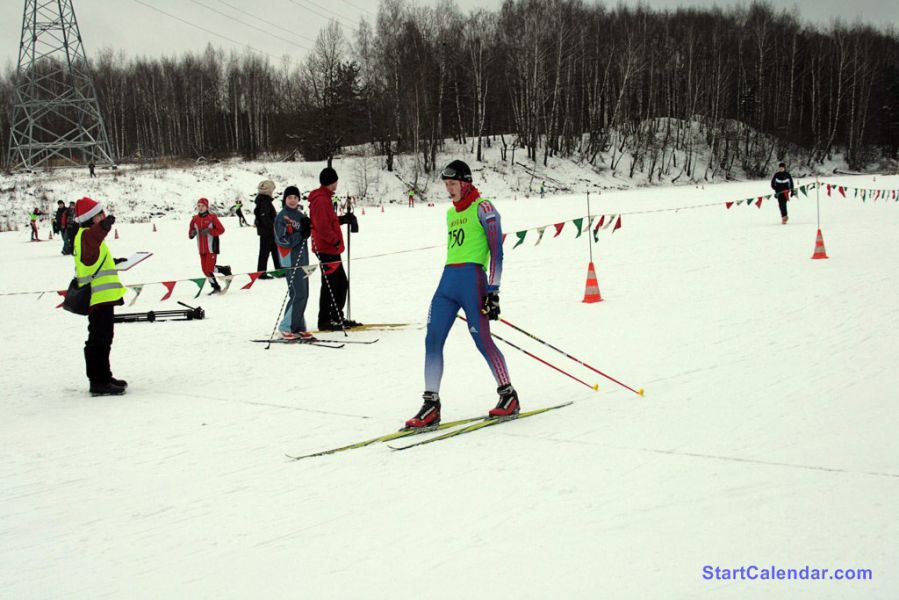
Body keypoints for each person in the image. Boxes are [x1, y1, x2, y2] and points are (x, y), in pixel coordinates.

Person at [405, 160, 518, 429]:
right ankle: (431, 403)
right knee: (432, 339)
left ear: (465, 182)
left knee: (482, 341)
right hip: (447, 282)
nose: (449, 189)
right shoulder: (450, 214)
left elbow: (497, 252)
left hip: (473, 282)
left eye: (453, 184)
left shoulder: (485, 209)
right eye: (446, 184)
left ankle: (508, 395)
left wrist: (493, 291)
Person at [72, 196, 128, 396]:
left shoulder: (85, 235)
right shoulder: (88, 235)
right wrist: (103, 226)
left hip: (101, 297)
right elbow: (94, 239)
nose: (103, 216)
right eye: (99, 215)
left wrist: (114, 261)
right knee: (99, 340)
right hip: (98, 298)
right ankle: (98, 382)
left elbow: (94, 258)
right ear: (91, 218)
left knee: (103, 338)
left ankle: (104, 376)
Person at [308, 167, 360, 330]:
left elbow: (329, 220)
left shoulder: (324, 198)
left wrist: (343, 219)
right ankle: (325, 319)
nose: (337, 183)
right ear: (332, 181)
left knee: (340, 283)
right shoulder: (321, 200)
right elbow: (322, 226)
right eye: (336, 180)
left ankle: (336, 316)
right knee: (332, 285)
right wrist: (335, 241)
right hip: (327, 248)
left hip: (330, 248)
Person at [274, 185, 313, 339]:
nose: (292, 200)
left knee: (303, 293)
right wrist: (300, 234)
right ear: (285, 199)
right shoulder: (282, 217)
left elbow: (306, 233)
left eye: (295, 198)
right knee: (298, 293)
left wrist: (307, 229)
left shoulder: (300, 215)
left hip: (302, 259)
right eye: (289, 197)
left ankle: (298, 326)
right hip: (289, 259)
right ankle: (285, 326)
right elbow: (282, 240)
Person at [189, 198, 231, 294]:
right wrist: (192, 233)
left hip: (211, 247)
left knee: (209, 268)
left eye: (203, 206)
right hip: (201, 248)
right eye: (199, 206)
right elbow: (190, 233)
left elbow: (221, 230)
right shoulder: (194, 219)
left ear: (207, 207)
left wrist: (210, 231)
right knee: (204, 270)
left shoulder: (212, 218)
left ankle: (225, 269)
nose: (200, 208)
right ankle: (215, 287)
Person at [254, 180, 279, 279]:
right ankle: (261, 272)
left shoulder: (263, 200)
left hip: (268, 231)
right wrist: (272, 227)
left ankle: (279, 269)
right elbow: (264, 217)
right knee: (265, 252)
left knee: (275, 250)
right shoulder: (265, 201)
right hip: (267, 232)